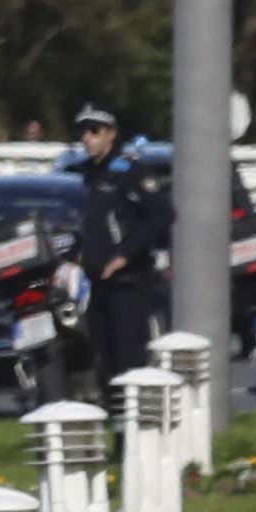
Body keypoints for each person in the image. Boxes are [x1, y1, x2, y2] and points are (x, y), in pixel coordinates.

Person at [65, 105, 168, 385]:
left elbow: (162, 214)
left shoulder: (129, 170)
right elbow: (87, 225)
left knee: (128, 360)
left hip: (129, 282)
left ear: (111, 134)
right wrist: (76, 256)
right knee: (104, 358)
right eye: (83, 132)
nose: (87, 138)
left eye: (94, 131)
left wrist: (124, 254)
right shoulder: (86, 175)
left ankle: (132, 425)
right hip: (96, 283)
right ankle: (117, 422)